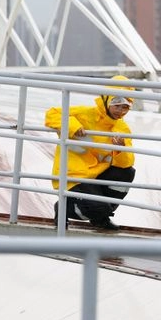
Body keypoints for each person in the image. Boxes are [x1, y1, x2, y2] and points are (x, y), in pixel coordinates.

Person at [44, 76, 136, 231]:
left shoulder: (122, 128)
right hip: (74, 176)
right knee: (98, 207)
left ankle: (100, 217)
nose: (120, 111)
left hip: (95, 176)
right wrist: (72, 125)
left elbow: (126, 164)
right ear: (106, 101)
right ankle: (63, 208)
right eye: (116, 105)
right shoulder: (85, 113)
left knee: (127, 173)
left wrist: (120, 149)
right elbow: (52, 114)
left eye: (125, 107)